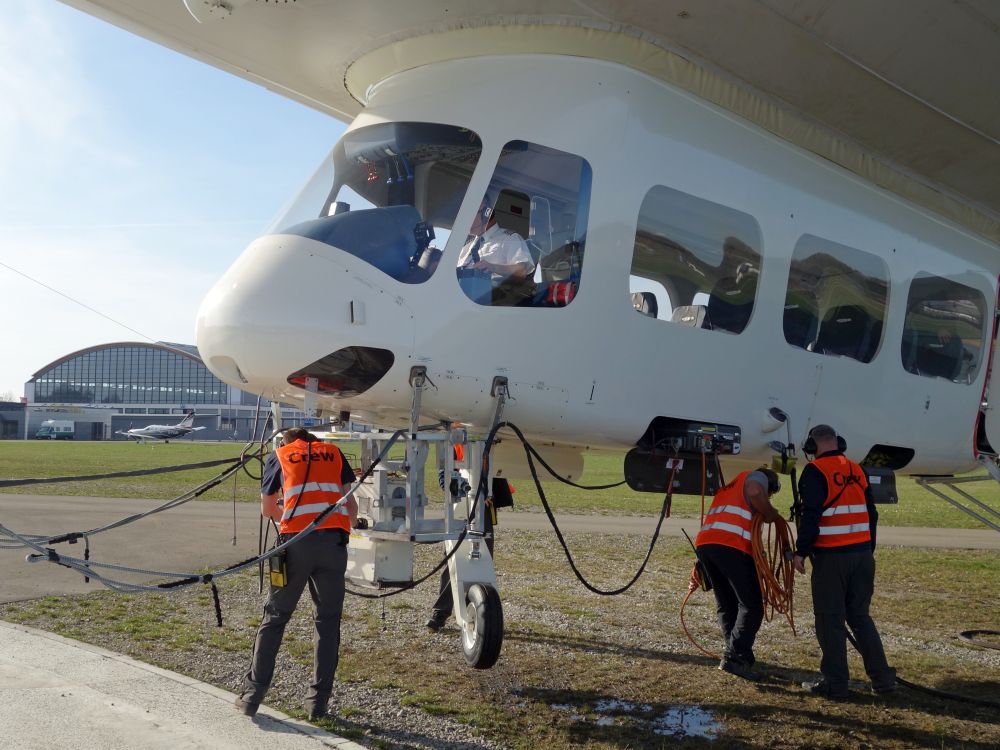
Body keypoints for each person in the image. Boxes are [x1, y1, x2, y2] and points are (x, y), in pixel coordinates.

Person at [237, 427, 359, 721]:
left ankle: (252, 697)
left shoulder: (278, 455)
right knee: (328, 624)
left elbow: (268, 509)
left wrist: (287, 516)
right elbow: (351, 506)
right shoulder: (334, 453)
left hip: (296, 545)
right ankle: (317, 705)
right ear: (312, 441)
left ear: (288, 442)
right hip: (333, 545)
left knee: (275, 618)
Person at [793, 424, 896, 699]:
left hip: (832, 558)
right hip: (862, 556)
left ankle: (835, 683)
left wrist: (800, 551)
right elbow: (871, 514)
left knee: (830, 621)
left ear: (813, 448)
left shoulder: (815, 472)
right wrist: (867, 549)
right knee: (860, 617)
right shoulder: (856, 469)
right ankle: (883, 680)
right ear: (838, 442)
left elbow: (811, 514)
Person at [694, 466, 782, 681]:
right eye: (771, 493)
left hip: (706, 545)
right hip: (731, 545)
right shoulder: (756, 477)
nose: (768, 496)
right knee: (752, 605)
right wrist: (771, 513)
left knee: (727, 603)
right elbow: (755, 492)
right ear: (770, 485)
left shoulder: (729, 488)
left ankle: (739, 654)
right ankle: (734, 657)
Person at [456, 191, 535, 306]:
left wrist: (493, 267)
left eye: (471, 214)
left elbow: (521, 270)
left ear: (486, 214)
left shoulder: (509, 238)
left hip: (491, 303)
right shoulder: (466, 248)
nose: (466, 219)